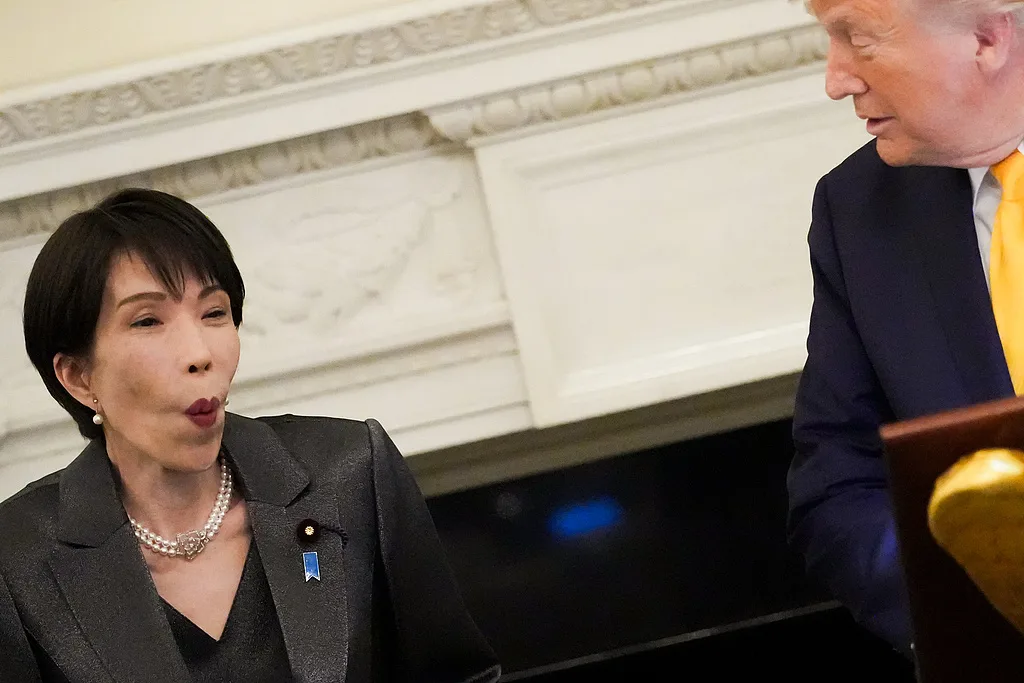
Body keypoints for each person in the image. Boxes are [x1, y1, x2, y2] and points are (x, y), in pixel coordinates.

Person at [0, 188, 501, 682]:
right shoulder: (16, 559)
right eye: (148, 320)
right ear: (78, 377)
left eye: (214, 313)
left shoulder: (351, 472)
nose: (200, 353)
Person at [787, 0, 1024, 658]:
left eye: (858, 40)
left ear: (987, 38)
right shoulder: (857, 211)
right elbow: (837, 485)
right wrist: (987, 604)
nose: (836, 80)